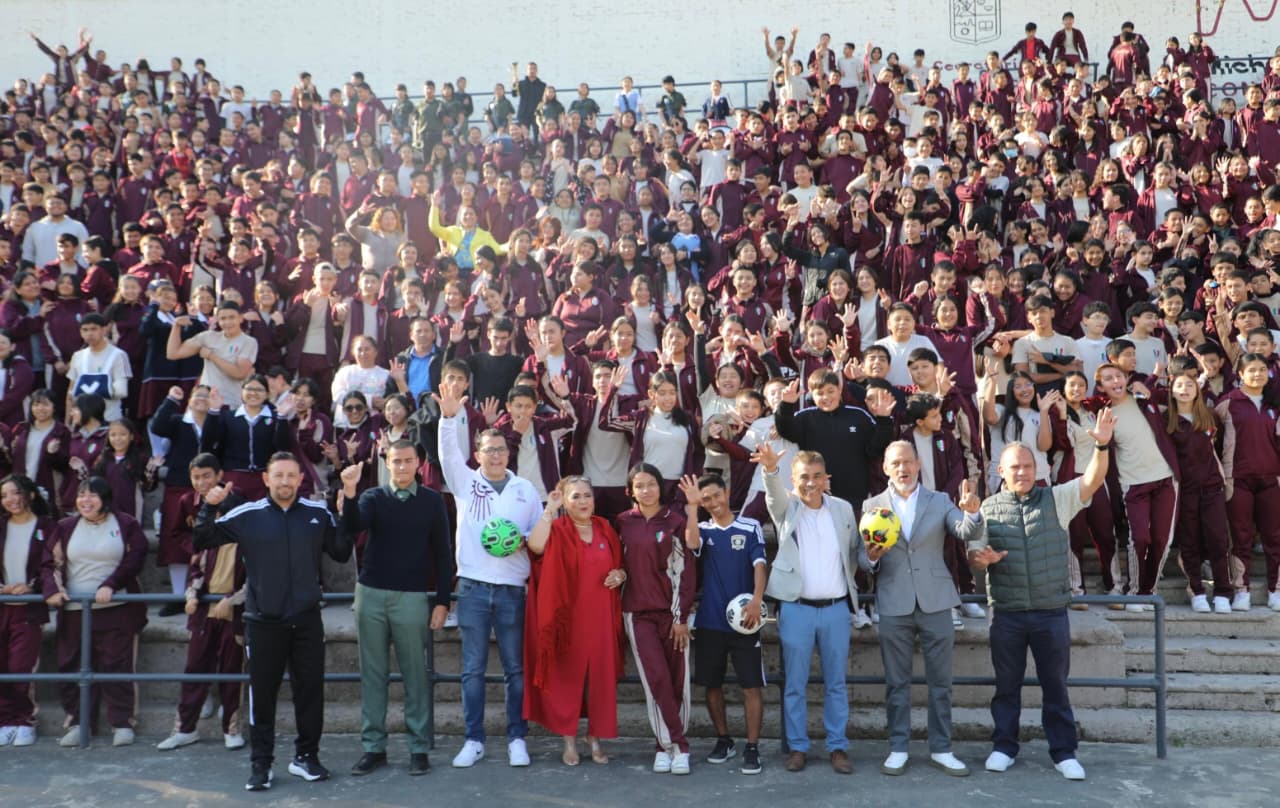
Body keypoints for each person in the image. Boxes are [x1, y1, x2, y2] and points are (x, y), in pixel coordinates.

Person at [967, 407, 1118, 781]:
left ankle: (1064, 752)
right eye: (1014, 467)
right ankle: (1004, 746)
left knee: (1056, 687)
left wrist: (1101, 447)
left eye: (1028, 466)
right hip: (1007, 613)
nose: (1022, 472)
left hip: (1051, 612)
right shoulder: (987, 507)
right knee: (1006, 688)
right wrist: (983, 559)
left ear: (1037, 470)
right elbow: (975, 557)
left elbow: (1093, 481)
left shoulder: (1056, 499)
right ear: (1000, 472)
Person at [194, 452, 353, 792]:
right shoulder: (248, 514)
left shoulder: (317, 513)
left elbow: (341, 552)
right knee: (262, 696)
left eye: (291, 476)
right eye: (278, 475)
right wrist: (209, 505)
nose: (284, 482)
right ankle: (261, 765)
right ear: (266, 479)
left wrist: (347, 506)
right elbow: (202, 539)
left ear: (300, 479)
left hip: (307, 621)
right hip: (263, 623)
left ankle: (306, 757)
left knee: (310, 693)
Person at [434, 380, 542, 769]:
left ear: (507, 453)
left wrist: (523, 541)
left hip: (513, 589)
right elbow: (447, 455)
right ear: (477, 453)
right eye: (487, 450)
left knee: (516, 668)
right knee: (472, 669)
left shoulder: (525, 490)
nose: (495, 455)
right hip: (474, 588)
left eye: (500, 449)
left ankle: (517, 737)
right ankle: (473, 739)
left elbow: (537, 533)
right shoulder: (466, 483)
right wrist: (448, 418)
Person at [859, 441, 984, 777]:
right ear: (885, 467)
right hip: (894, 601)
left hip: (936, 601)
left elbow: (966, 530)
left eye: (908, 462)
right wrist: (871, 557)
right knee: (896, 682)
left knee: (940, 682)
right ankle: (898, 746)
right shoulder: (872, 506)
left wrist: (972, 511)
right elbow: (862, 558)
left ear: (918, 465)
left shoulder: (940, 500)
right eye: (896, 463)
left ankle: (942, 748)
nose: (903, 469)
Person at [340, 442, 454, 778]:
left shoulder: (433, 501)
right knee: (372, 674)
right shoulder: (373, 497)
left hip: (412, 596)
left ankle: (419, 748)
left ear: (418, 463)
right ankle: (373, 746)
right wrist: (349, 491)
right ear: (386, 463)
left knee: (415, 674)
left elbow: (443, 554)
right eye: (396, 462)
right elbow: (353, 526)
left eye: (408, 461)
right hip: (371, 593)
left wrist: (443, 601)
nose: (402, 467)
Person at [753, 442, 866, 775]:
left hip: (835, 609)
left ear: (826, 477)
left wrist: (872, 556)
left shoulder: (844, 509)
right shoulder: (787, 508)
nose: (811, 483)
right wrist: (771, 470)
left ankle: (837, 747)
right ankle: (798, 748)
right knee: (795, 684)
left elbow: (855, 552)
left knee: (836, 683)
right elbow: (773, 495)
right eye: (804, 477)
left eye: (817, 476)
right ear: (794, 479)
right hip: (796, 609)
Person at [524, 474, 626, 766]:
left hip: (601, 617)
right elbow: (535, 547)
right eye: (575, 496)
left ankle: (594, 738)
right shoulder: (556, 528)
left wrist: (621, 575)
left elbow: (620, 566)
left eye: (587, 495)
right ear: (565, 501)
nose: (583, 501)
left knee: (601, 680)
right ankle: (568, 740)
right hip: (567, 619)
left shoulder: (605, 528)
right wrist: (549, 510)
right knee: (567, 678)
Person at [41, 476, 148, 748]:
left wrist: (111, 583)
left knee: (116, 664)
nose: (85, 500)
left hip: (116, 608)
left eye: (92, 495)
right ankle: (79, 722)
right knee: (73, 665)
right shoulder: (65, 527)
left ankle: (122, 723)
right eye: (81, 495)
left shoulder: (125, 524)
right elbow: (48, 563)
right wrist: (52, 588)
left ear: (105, 498)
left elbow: (136, 557)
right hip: (76, 610)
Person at [156, 454, 246, 752]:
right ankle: (185, 728)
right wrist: (193, 594)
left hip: (234, 611)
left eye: (208, 476)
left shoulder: (246, 532)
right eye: (196, 477)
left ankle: (231, 729)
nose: (202, 483)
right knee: (195, 668)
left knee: (232, 672)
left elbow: (257, 575)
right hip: (205, 609)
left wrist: (234, 600)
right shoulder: (202, 529)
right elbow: (195, 565)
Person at [615, 466, 700, 775]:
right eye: (640, 485)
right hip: (637, 614)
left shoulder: (675, 521)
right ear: (631, 490)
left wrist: (680, 617)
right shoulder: (624, 522)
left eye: (651, 484)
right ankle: (678, 745)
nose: (646, 490)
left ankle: (662, 747)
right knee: (656, 680)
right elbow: (618, 564)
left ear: (660, 488)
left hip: (673, 615)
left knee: (677, 682)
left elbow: (685, 571)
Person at [690, 472, 767, 775]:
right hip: (710, 622)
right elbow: (691, 544)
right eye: (705, 499)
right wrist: (691, 508)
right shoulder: (703, 530)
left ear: (727, 492)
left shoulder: (750, 526)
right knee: (711, 685)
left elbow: (760, 563)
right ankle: (724, 739)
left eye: (715, 496)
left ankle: (752, 747)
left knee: (751, 686)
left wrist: (758, 600)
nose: (712, 503)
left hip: (745, 621)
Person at [0, 475, 55, 747]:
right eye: (4, 495)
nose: (10, 500)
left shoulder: (46, 526)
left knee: (20, 667)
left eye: (15, 493)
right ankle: (5, 720)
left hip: (29, 610)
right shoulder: (1, 526)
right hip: (2, 605)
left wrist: (32, 588)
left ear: (30, 495)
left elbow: (50, 566)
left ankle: (24, 720)